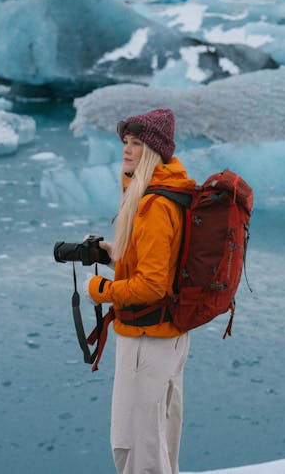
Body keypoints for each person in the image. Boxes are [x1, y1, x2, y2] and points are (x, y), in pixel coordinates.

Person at [87, 107, 193, 474]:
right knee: (160, 435)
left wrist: (103, 290)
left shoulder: (154, 205)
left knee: (134, 445)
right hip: (169, 333)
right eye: (125, 142)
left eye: (136, 143)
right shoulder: (169, 192)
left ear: (154, 151)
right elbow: (161, 262)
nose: (126, 150)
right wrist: (116, 253)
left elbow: (152, 284)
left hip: (147, 336)